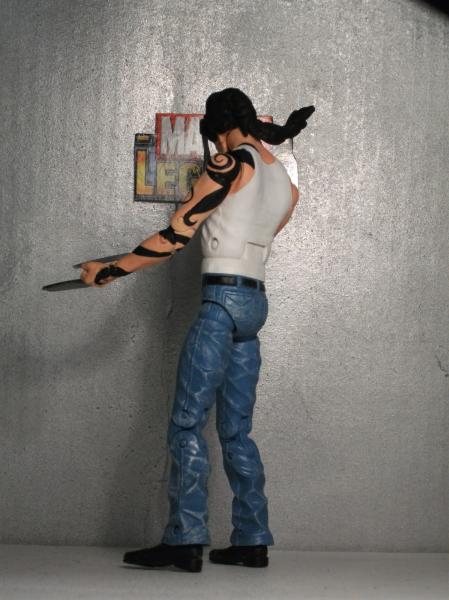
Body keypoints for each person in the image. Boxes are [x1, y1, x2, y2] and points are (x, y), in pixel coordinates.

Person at [80, 88, 315, 572]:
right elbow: (262, 232)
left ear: (218, 127)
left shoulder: (228, 165)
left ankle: (184, 538)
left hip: (221, 301)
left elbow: (175, 236)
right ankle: (252, 539)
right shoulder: (283, 181)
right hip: (254, 304)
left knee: (187, 422)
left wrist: (111, 270)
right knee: (237, 430)